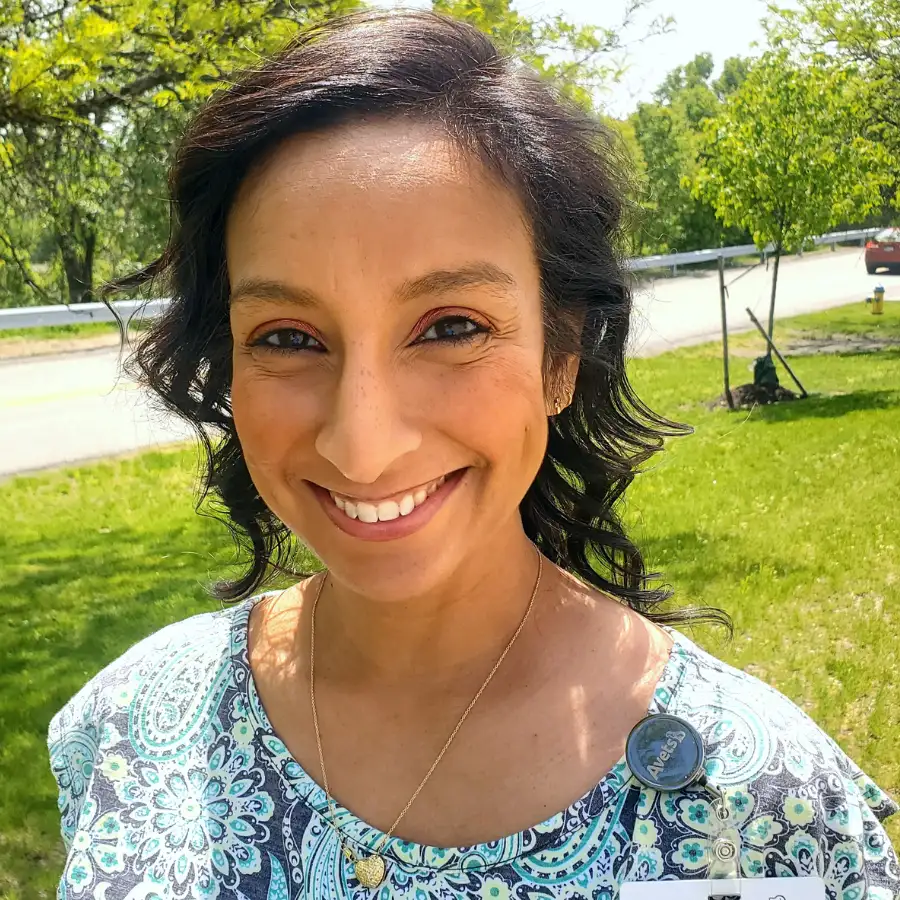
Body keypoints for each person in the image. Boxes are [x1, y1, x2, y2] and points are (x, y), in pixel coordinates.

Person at [47, 9, 898, 900]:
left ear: (561, 354)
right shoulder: (133, 725)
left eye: (451, 327)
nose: (362, 444)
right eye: (290, 337)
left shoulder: (753, 814)